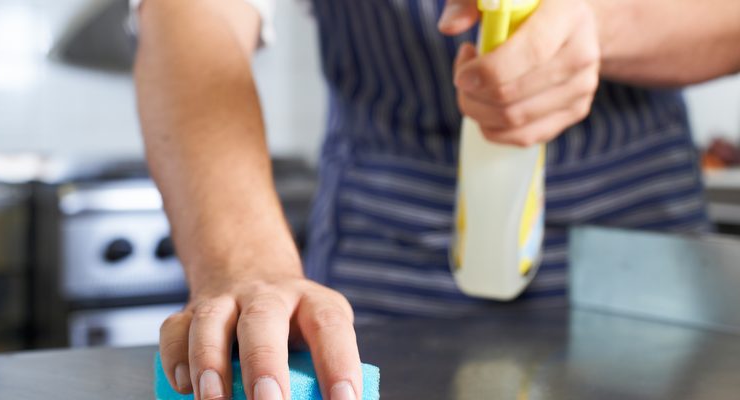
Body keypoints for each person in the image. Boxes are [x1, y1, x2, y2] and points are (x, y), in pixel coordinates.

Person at [131, 0, 740, 399]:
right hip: (385, 263)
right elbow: (194, 14)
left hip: (642, 268)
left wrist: (598, 25)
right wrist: (246, 264)